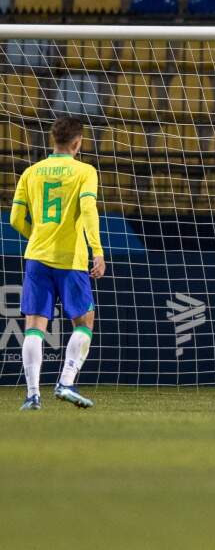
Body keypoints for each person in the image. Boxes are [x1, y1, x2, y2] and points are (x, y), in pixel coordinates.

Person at [10, 116, 105, 410]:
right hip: (71, 259)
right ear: (77, 143)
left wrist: (36, 235)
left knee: (34, 326)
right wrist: (97, 250)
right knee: (84, 320)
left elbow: (15, 219)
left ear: (54, 141)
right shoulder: (84, 171)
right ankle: (65, 382)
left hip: (37, 257)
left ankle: (32, 395)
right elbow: (88, 210)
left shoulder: (31, 172)